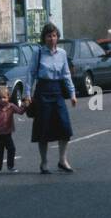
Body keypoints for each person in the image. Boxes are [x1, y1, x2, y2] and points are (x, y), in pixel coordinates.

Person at [24, 22, 76, 174]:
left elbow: (66, 74)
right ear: (44, 38)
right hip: (42, 92)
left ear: (57, 37)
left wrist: (72, 94)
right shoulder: (38, 53)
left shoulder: (62, 54)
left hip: (57, 91)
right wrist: (27, 94)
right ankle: (44, 162)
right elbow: (30, 74)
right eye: (48, 36)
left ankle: (62, 160)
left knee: (65, 127)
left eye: (54, 36)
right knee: (43, 129)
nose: (52, 39)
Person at [0, 84, 24, 173]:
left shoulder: (11, 106)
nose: (2, 100)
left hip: (7, 133)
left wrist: (25, 106)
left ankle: (10, 166)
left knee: (11, 149)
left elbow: (20, 112)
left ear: (8, 97)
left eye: (4, 97)